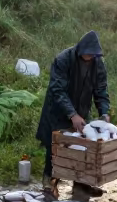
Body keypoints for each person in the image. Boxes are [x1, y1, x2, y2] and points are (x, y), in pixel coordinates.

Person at [35, 31, 111, 193]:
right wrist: (72, 114)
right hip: (58, 111)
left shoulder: (98, 63)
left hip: (82, 109)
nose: (90, 57)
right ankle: (50, 180)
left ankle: (82, 184)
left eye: (93, 55)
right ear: (80, 50)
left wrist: (104, 112)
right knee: (54, 147)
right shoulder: (63, 60)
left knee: (83, 146)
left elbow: (101, 90)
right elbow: (58, 90)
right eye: (87, 54)